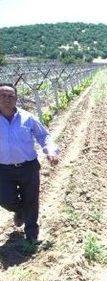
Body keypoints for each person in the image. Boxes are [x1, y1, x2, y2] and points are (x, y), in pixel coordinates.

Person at [0, 82, 59, 244]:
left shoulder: (28, 117)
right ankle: (20, 211)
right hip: (3, 169)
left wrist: (51, 151)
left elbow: (44, 136)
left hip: (28, 167)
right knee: (4, 198)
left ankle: (32, 234)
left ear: (16, 98)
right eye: (3, 95)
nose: (7, 99)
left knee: (31, 200)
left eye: (11, 96)